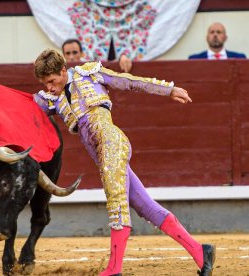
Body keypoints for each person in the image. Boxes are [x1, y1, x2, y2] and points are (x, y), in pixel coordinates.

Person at [32, 49, 215, 276]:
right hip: (102, 155)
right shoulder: (54, 99)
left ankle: (114, 270)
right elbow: (22, 105)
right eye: (45, 83)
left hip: (112, 144)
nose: (49, 87)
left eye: (51, 81)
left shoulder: (89, 74)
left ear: (62, 70)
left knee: (116, 203)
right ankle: (201, 251)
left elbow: (129, 82)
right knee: (146, 207)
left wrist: (168, 90)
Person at [62, 38, 133, 73]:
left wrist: (122, 57)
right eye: (68, 53)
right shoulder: (60, 72)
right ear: (63, 55)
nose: (71, 57)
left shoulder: (91, 67)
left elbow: (108, 65)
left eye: (75, 52)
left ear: (82, 54)